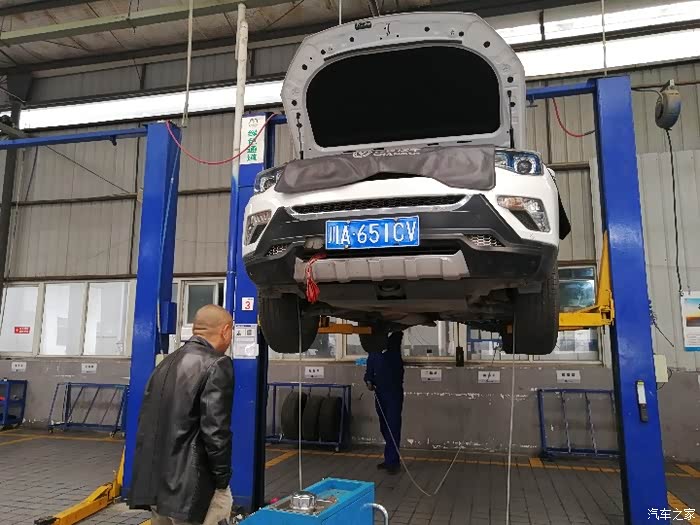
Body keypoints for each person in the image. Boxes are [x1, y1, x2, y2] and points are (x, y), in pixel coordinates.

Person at [129, 304, 235, 525]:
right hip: (189, 489)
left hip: (156, 485)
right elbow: (215, 432)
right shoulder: (217, 364)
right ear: (225, 331)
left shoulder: (166, 363)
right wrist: (222, 481)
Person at [364, 331, 405, 475]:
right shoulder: (374, 351)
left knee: (392, 426)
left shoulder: (393, 348)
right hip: (379, 392)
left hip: (393, 392)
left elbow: (396, 336)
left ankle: (393, 462)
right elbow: (370, 364)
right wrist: (368, 379)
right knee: (384, 426)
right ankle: (389, 459)